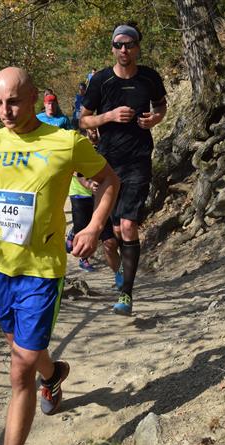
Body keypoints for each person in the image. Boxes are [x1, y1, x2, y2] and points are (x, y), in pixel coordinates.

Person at [0, 66, 119, 445]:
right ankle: (53, 374)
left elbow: (108, 180)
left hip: (42, 272)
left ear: (33, 99)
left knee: (19, 369)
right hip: (1, 268)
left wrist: (92, 227)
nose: (5, 111)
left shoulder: (66, 141)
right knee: (23, 350)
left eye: (13, 101)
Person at [79, 22, 167, 316]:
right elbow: (83, 120)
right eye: (118, 45)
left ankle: (126, 294)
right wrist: (109, 116)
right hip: (107, 164)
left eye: (129, 44)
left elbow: (161, 106)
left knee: (128, 226)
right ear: (113, 49)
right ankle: (122, 273)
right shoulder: (101, 81)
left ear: (137, 47)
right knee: (114, 231)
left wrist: (155, 119)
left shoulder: (150, 77)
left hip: (138, 159)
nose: (124, 50)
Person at [66, 173, 122, 277]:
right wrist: (89, 184)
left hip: (99, 196)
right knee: (82, 234)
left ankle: (121, 278)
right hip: (79, 195)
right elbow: (77, 173)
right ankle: (83, 258)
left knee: (110, 242)